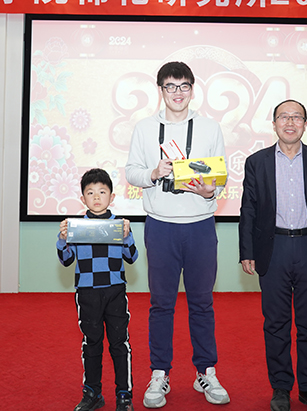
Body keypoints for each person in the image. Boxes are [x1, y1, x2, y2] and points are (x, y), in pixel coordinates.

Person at [125, 61, 230, 408]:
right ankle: (159, 373)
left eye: (184, 86)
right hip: (161, 227)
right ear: (161, 90)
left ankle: (206, 371)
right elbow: (131, 172)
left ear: (192, 89)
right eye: (170, 86)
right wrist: (154, 172)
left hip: (200, 226)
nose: (178, 93)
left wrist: (210, 192)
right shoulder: (144, 128)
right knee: (161, 304)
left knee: (202, 303)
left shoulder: (210, 127)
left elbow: (221, 175)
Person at [238, 99, 307, 411]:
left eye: (296, 117)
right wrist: (247, 251)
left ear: (305, 125)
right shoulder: (257, 162)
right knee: (276, 324)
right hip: (274, 250)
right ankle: (281, 388)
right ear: (274, 124)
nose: (290, 122)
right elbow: (248, 211)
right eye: (284, 117)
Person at [57, 168, 139, 411]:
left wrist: (127, 236)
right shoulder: (76, 227)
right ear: (82, 198)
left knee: (119, 343)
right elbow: (66, 260)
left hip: (115, 291)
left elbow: (132, 257)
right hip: (87, 292)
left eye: (102, 192)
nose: (96, 197)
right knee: (92, 343)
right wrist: (62, 239)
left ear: (111, 197)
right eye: (90, 192)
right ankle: (92, 393)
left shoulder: (120, 226)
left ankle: (124, 395)